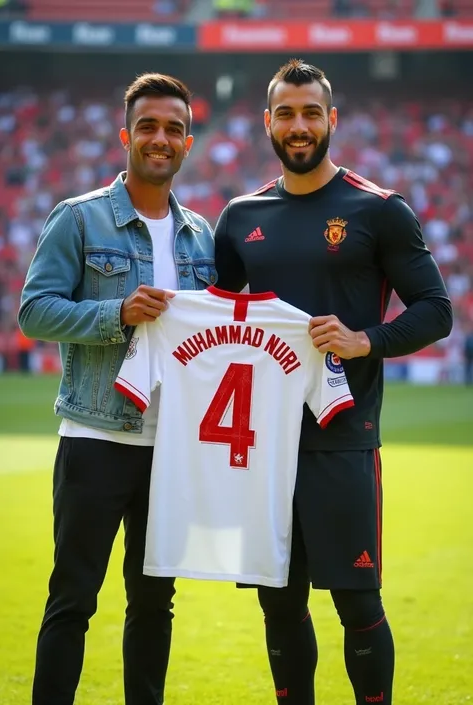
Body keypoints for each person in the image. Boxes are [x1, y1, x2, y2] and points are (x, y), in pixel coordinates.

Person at [214, 59, 453, 705]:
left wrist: (364, 339)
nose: (299, 125)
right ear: (267, 122)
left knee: (356, 600)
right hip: (260, 447)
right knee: (279, 604)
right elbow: (212, 315)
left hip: (343, 438)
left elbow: (436, 309)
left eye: (311, 112)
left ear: (332, 120)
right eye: (286, 113)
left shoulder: (378, 210)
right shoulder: (240, 217)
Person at [18, 73, 215, 705]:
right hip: (95, 437)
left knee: (155, 601)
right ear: (126, 135)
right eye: (150, 126)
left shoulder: (202, 237)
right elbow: (34, 311)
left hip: (172, 448)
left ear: (188, 143)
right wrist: (114, 315)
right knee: (73, 595)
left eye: (175, 129)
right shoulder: (79, 219)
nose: (162, 139)